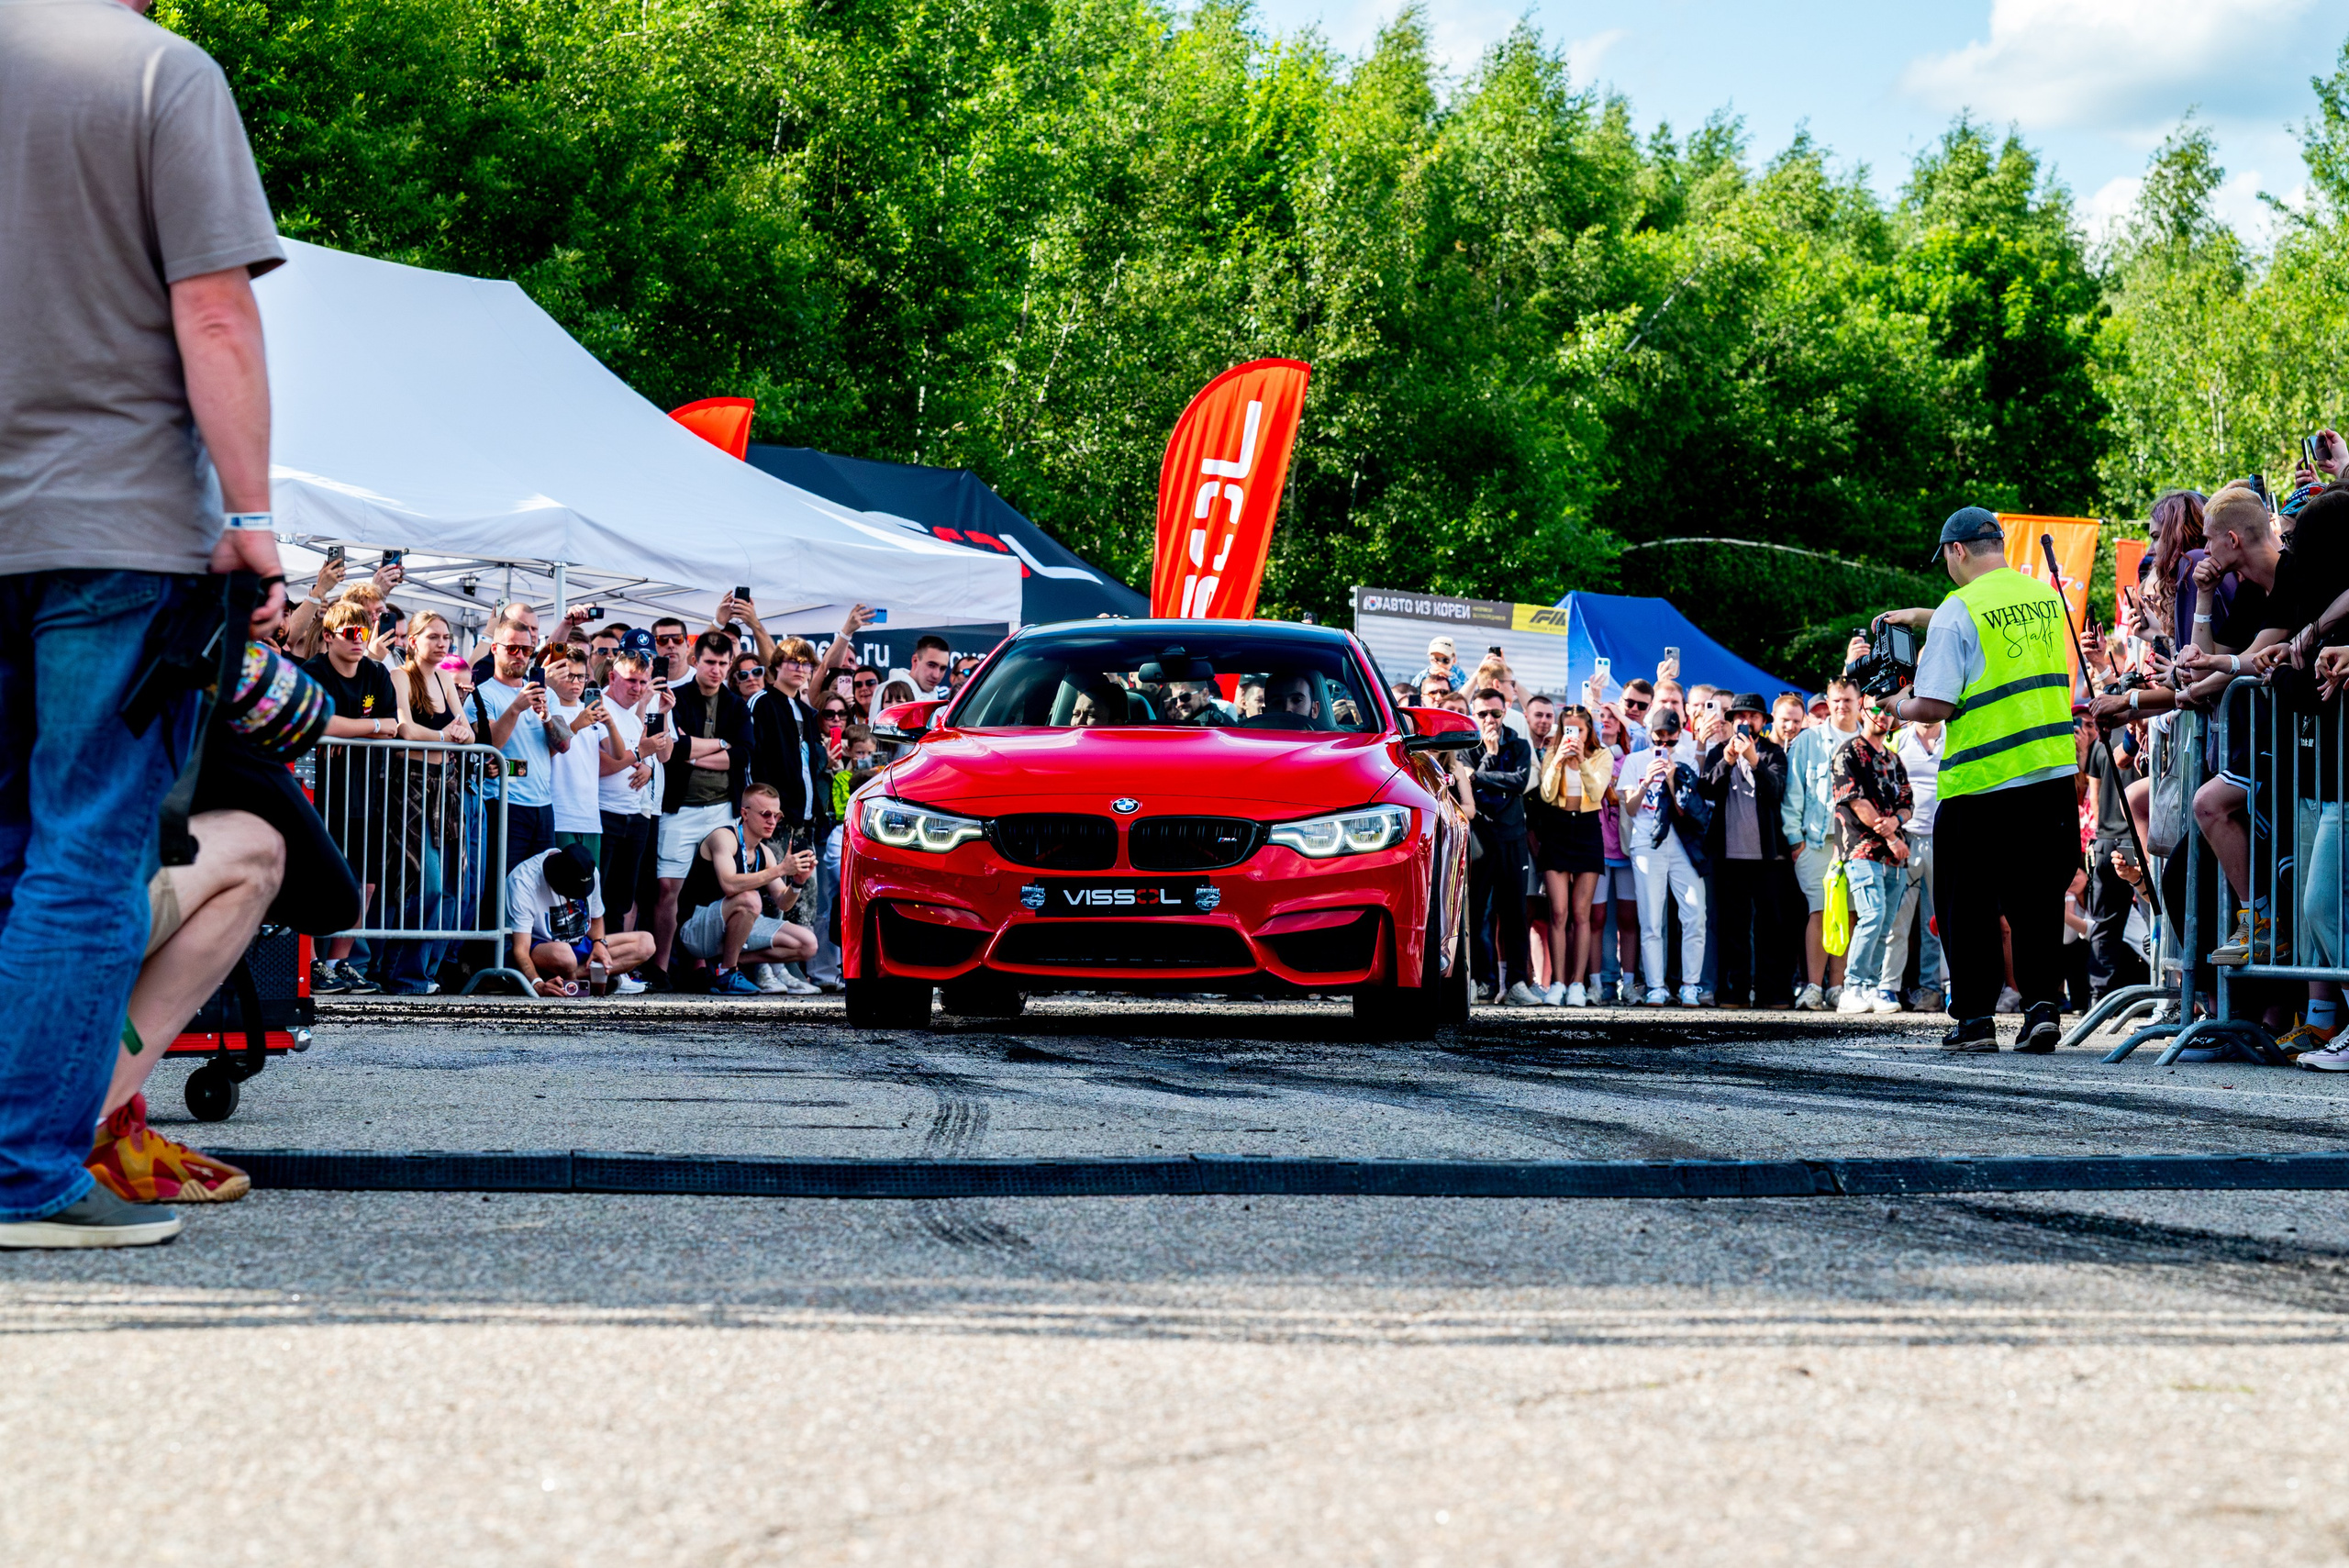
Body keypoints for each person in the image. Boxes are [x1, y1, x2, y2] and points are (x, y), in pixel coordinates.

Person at [0, 0, 291, 1247]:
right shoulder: (160, 74)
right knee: (84, 851)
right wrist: (253, 512)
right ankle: (20, 1175)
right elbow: (214, 313)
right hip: (111, 526)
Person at [1882, 506, 2079, 1053]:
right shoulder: (2042, 595)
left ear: (1957, 551)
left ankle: (1974, 1022)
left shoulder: (1957, 610)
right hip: (2049, 772)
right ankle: (2042, 1009)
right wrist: (1927, 617)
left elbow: (1936, 704)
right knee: (2037, 900)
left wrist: (1896, 703)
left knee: (1966, 906)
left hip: (1982, 781)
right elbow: (2000, 638)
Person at [302, 596, 421, 993]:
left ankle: (339, 961)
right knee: (318, 875)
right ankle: (314, 963)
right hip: (321, 792)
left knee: (364, 882)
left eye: (364, 633)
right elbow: (317, 724)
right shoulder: (313, 672)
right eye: (351, 633)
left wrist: (348, 729)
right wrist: (364, 728)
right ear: (331, 636)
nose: (359, 640)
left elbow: (394, 726)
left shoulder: (376, 673)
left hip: (367, 792)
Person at [651, 630, 751, 982]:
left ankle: (702, 964)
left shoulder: (737, 705)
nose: (717, 670)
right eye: (710, 662)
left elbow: (741, 755)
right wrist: (717, 745)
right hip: (678, 807)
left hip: (721, 808)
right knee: (667, 888)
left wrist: (693, 755)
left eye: (724, 664)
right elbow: (671, 751)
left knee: (713, 888)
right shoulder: (674, 698)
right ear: (695, 661)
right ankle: (660, 966)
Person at [676, 784, 818, 995]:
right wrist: (780, 869)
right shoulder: (724, 837)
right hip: (696, 929)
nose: (772, 822)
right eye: (766, 814)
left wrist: (797, 882)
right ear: (745, 814)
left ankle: (726, 963)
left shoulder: (765, 852)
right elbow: (730, 884)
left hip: (732, 929)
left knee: (807, 944)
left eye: (777, 816)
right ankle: (727, 972)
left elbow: (783, 902)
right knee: (750, 899)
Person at [1698, 695, 1794, 1009]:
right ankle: (1734, 991)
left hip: (1769, 856)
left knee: (1773, 927)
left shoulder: (1773, 752)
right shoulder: (1718, 752)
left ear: (1763, 722)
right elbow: (1706, 790)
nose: (1747, 722)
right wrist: (1727, 760)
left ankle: (1772, 992)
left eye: (1754, 717)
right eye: (1741, 717)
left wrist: (1753, 759)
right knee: (1732, 927)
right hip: (1729, 856)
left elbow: (1777, 790)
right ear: (1731, 720)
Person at [1830, 694, 1913, 1016]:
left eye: (1888, 710)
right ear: (1864, 711)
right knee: (1872, 915)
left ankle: (1873, 986)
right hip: (1862, 848)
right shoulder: (1848, 752)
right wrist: (1891, 834)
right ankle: (1853, 987)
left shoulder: (1894, 759)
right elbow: (1857, 802)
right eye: (1876, 709)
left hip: (1895, 854)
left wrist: (1897, 820)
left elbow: (1907, 802)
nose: (1883, 715)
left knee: (1886, 922)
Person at [470, 603, 571, 871]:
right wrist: (516, 707)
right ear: (495, 649)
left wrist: (547, 718)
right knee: (501, 882)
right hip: (503, 804)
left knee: (538, 885)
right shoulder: (481, 695)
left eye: (526, 650)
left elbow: (563, 745)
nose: (520, 656)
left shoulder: (546, 694)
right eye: (512, 648)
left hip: (543, 805)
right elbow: (491, 746)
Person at [1784, 676, 1861, 1008]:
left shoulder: (1866, 741)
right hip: (1816, 842)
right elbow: (1793, 793)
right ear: (1827, 704)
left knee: (1851, 914)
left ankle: (1838, 987)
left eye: (1847, 700)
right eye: (1836, 701)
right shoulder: (1808, 741)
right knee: (1820, 910)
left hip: (1857, 841)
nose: (1842, 706)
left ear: (1859, 702)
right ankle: (1813, 986)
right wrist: (1795, 841)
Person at [593, 652, 670, 989]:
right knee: (598, 897)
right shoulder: (598, 707)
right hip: (602, 812)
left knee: (622, 899)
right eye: (630, 681)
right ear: (612, 678)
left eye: (642, 681)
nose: (638, 688)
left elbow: (650, 754)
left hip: (636, 813)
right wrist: (639, 756)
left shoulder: (634, 714)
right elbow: (601, 765)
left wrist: (647, 763)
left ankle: (614, 969)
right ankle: (598, 967)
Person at [1624, 706, 1708, 1006]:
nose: (1665, 746)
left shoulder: (1686, 759)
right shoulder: (1635, 761)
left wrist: (1673, 780)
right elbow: (1631, 809)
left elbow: (1691, 811)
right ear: (1651, 735)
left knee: (1695, 915)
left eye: (1671, 740)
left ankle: (1690, 985)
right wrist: (1647, 781)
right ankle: (1656, 986)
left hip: (1684, 845)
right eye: (1660, 740)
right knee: (1651, 919)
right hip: (1648, 843)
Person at [1529, 704, 1610, 1006]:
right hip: (1558, 829)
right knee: (1558, 912)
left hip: (1587, 830)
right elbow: (1547, 795)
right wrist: (1559, 761)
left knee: (1581, 914)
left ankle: (1578, 983)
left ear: (1589, 730)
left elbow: (1598, 792)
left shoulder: (1601, 755)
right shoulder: (1554, 752)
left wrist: (1581, 761)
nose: (1573, 735)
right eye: (1568, 730)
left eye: (1579, 730)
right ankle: (1558, 983)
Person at [1466, 687, 1542, 1006]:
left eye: (1495, 713)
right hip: (1481, 840)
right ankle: (1474, 980)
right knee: (1473, 914)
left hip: (1512, 837)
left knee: (1515, 913)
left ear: (1506, 711)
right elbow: (1466, 782)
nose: (1489, 720)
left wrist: (1482, 775)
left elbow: (1520, 783)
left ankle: (1515, 984)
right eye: (1482, 713)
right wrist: (1489, 759)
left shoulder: (1520, 743)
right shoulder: (1466, 745)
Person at [506, 843, 653, 997]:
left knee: (646, 943)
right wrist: (536, 984)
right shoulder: (523, 881)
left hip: (581, 947)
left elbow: (596, 918)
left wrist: (599, 944)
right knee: (564, 955)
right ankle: (579, 980)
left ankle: (573, 981)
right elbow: (520, 950)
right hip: (545, 950)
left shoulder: (588, 871)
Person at [1884, 711, 1949, 1012]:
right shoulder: (1897, 740)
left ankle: (1937, 988)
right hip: (1905, 840)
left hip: (1944, 838)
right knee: (1898, 918)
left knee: (1938, 922)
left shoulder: (1954, 734)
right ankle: (1888, 986)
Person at [545, 646, 610, 862]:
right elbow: (549, 752)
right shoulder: (548, 710)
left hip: (590, 816)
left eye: (581, 677)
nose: (576, 683)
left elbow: (616, 753)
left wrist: (610, 723)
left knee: (591, 887)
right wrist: (575, 725)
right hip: (559, 814)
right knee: (561, 887)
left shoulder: (591, 710)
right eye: (570, 676)